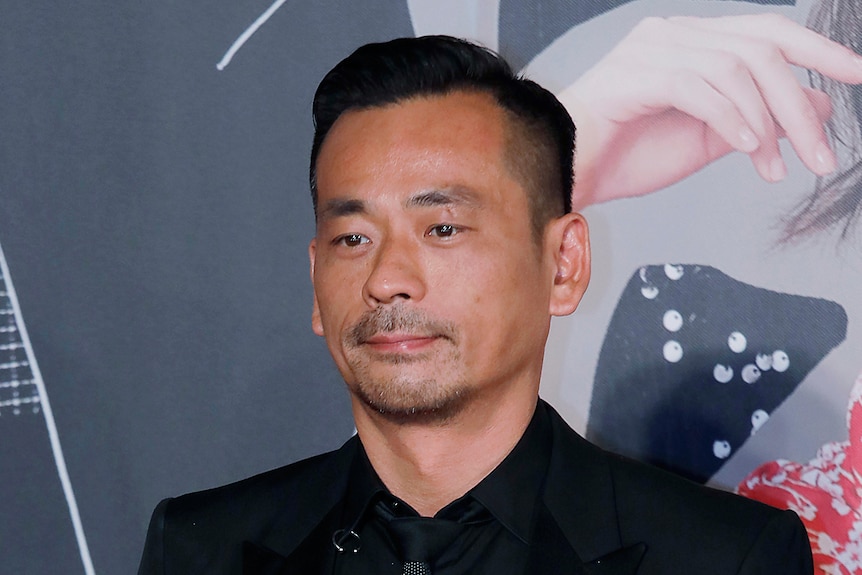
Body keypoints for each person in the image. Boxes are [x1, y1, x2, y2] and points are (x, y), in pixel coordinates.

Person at [137, 35, 813, 574]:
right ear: (315, 280)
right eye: (352, 236)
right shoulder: (201, 547)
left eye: (443, 229)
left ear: (564, 264)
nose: (387, 278)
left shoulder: (725, 557)